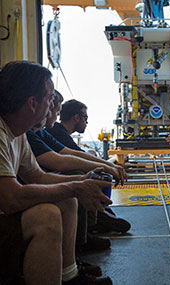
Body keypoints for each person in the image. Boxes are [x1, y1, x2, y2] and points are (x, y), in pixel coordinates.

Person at [0, 60, 112, 284]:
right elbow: (10, 198)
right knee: (46, 216)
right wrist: (74, 186)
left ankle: (69, 277)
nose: (52, 108)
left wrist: (80, 182)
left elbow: (37, 176)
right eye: (50, 100)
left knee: (67, 199)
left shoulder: (18, 133)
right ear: (32, 103)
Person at [45, 96, 131, 236]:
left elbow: (74, 153)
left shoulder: (55, 133)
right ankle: (94, 221)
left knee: (90, 160)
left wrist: (106, 165)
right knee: (85, 172)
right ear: (76, 118)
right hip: (50, 180)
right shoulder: (56, 131)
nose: (87, 121)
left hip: (51, 176)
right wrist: (107, 167)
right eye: (85, 117)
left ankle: (99, 212)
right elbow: (69, 158)